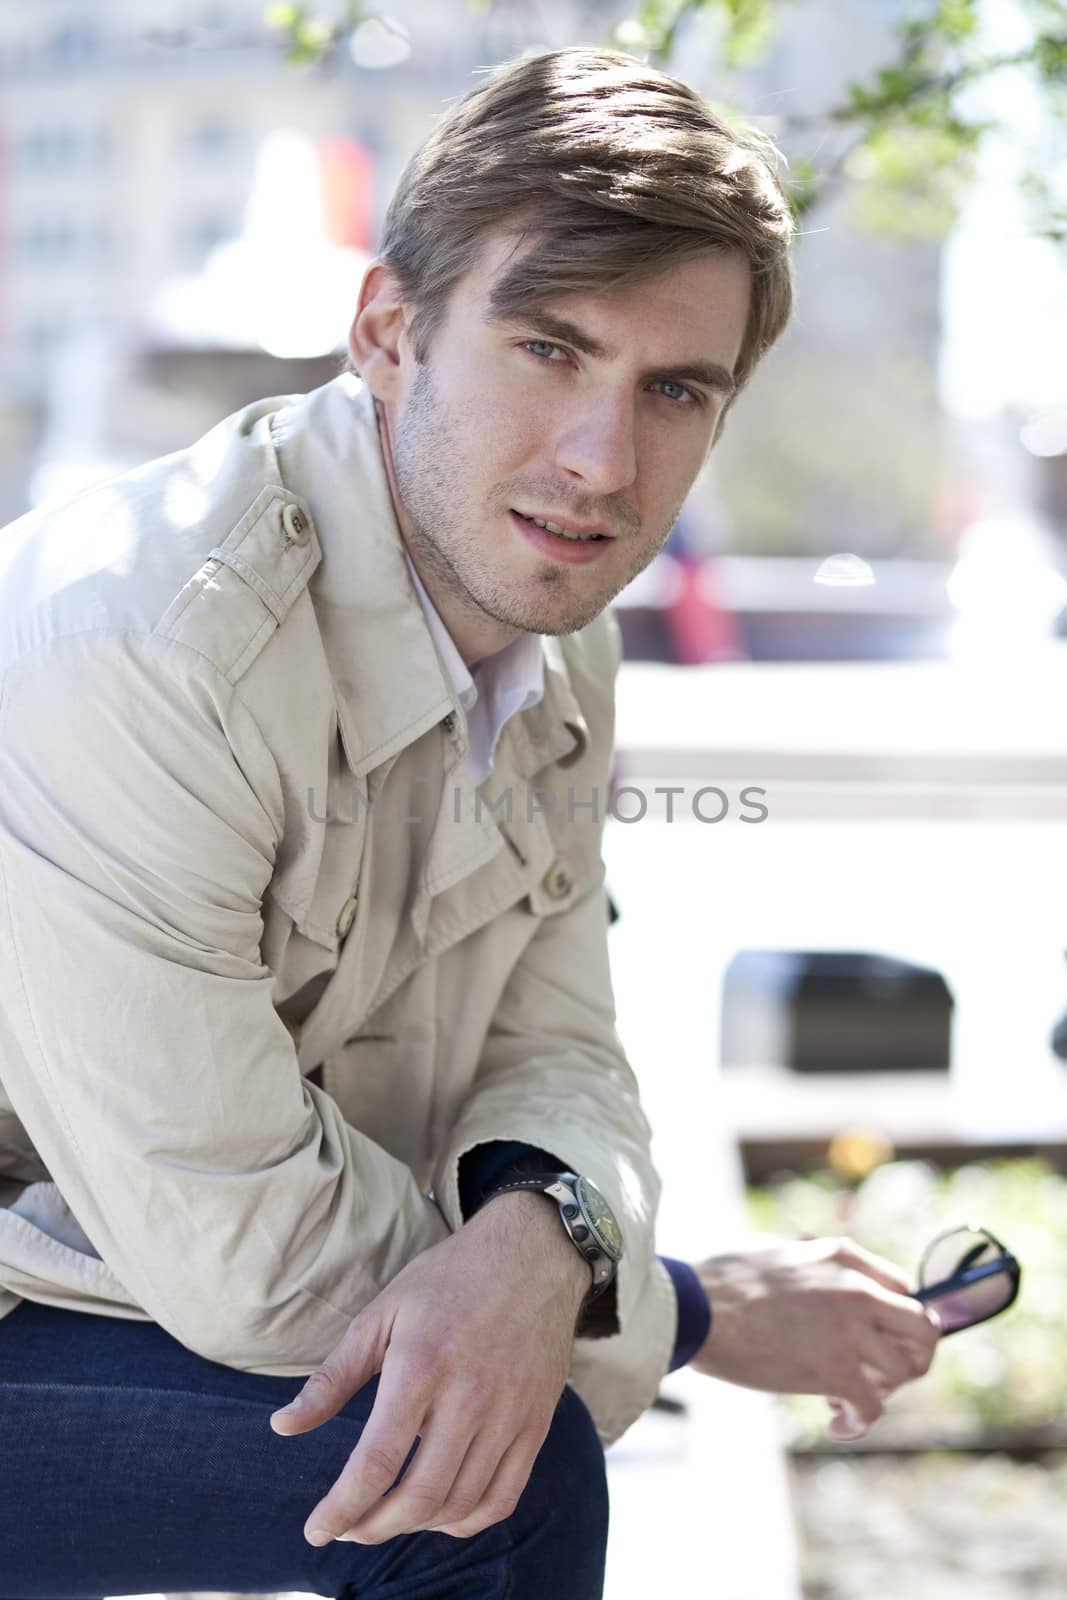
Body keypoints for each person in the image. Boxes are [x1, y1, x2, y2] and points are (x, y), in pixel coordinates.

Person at [0, 44, 940, 1600]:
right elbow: (249, 1262)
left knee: (489, 1411)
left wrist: (550, 1233)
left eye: (674, 390)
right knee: (487, 1476)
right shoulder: (147, 652)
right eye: (550, 351)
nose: (601, 463)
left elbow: (559, 1046)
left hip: (86, 1264)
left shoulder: (561, 629)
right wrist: (674, 1308)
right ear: (388, 331)